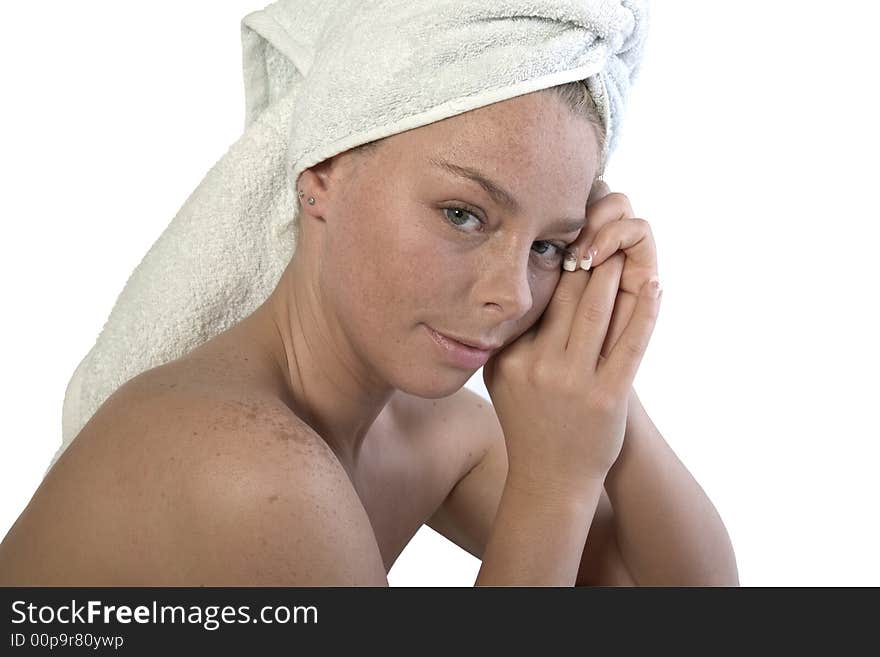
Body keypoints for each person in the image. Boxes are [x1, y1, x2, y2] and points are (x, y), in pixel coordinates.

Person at [0, 79, 675, 585]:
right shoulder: (249, 467)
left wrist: (602, 381)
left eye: (550, 247)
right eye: (462, 214)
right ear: (322, 173)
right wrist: (553, 485)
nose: (514, 294)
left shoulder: (429, 432)